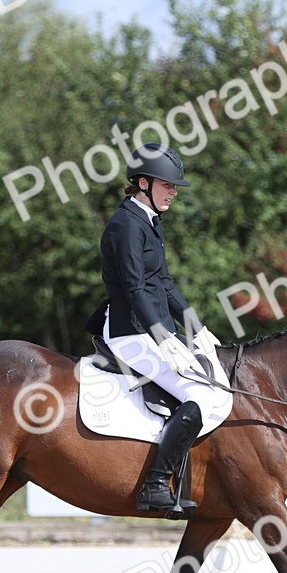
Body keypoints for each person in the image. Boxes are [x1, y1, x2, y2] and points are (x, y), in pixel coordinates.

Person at [88, 143, 225, 513]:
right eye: (169, 185)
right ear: (144, 183)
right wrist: (162, 336)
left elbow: (164, 282)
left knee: (211, 389)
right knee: (199, 398)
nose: (174, 191)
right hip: (130, 332)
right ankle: (154, 485)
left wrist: (196, 326)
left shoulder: (149, 222)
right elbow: (133, 289)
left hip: (153, 328)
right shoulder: (125, 225)